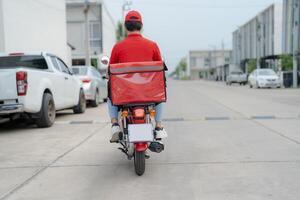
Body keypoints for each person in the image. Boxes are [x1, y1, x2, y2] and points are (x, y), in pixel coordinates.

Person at [108, 10, 168, 142]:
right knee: (159, 92)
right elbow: (159, 69)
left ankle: (115, 125)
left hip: (125, 94)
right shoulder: (152, 45)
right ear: (141, 25)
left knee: (110, 93)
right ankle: (158, 127)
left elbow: (110, 71)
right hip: (148, 94)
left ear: (125, 26)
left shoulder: (118, 47)